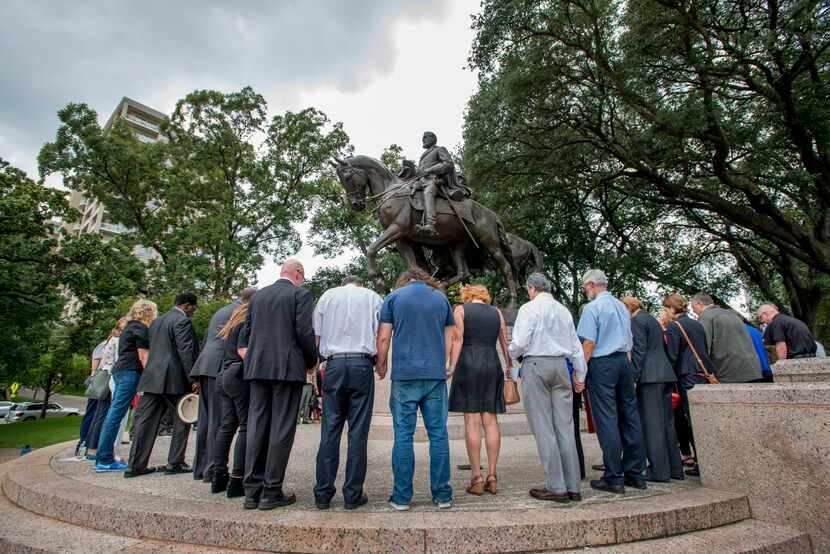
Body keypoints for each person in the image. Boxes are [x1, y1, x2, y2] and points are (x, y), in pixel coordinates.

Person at [240, 259, 318, 510]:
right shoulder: (300, 295)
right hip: (287, 367)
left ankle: (252, 490)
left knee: (257, 425)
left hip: (258, 367)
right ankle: (271, 489)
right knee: (281, 428)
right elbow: (304, 333)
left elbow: (248, 332)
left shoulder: (258, 297)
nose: (302, 280)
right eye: (302, 276)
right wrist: (311, 361)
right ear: (297, 273)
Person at [376, 268, 455, 511]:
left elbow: (383, 338)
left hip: (405, 375)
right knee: (438, 434)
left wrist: (382, 363)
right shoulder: (441, 298)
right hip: (434, 375)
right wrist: (445, 364)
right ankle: (442, 495)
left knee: (403, 435)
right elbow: (450, 336)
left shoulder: (394, 298)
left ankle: (401, 497)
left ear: (404, 279)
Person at [509, 274, 586, 502]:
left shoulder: (529, 308)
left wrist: (510, 352)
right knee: (565, 427)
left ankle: (556, 485)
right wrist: (580, 375)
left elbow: (521, 342)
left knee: (543, 427)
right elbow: (575, 346)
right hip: (561, 366)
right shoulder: (563, 310)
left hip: (536, 365)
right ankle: (573, 486)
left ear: (532, 289)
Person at [312, 275, 383, 510]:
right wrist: (381, 362)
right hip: (362, 364)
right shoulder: (372, 297)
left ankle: (323, 493)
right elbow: (381, 333)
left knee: (330, 430)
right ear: (359, 283)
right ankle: (352, 494)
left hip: (333, 364)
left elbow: (317, 334)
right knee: (357, 433)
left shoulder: (327, 296)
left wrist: (315, 365)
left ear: (343, 283)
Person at [576, 269, 646, 494]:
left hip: (602, 363)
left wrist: (580, 373)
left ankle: (613, 476)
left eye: (586, 286)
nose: (586, 290)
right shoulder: (621, 307)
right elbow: (629, 342)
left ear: (592, 285)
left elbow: (588, 343)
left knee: (607, 418)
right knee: (630, 416)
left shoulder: (592, 308)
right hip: (623, 362)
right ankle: (635, 473)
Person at [125, 293, 199, 478]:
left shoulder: (156, 322)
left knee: (145, 423)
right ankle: (175, 462)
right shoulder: (182, 321)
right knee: (183, 418)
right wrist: (194, 378)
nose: (194, 311)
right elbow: (186, 351)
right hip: (173, 379)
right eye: (194, 307)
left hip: (151, 378)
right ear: (186, 305)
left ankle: (135, 465)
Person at [448, 284, 510, 497]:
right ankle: (492, 476)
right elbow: (504, 342)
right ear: (484, 296)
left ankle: (476, 477)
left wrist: (451, 366)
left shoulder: (461, 310)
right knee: (491, 420)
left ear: (468, 295)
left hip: (468, 364)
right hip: (492, 363)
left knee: (472, 421)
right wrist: (509, 367)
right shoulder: (496, 312)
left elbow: (458, 339)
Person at [622, 297, 683, 482]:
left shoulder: (636, 322)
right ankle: (675, 469)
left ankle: (658, 471)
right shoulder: (651, 320)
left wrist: (633, 376)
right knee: (667, 425)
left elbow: (639, 350)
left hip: (649, 377)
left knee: (652, 426)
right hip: (665, 374)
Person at [94, 300, 157, 472]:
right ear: (149, 312)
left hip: (120, 371)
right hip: (130, 372)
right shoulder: (141, 329)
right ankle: (104, 458)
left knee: (114, 413)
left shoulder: (128, 327)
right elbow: (144, 357)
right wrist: (153, 377)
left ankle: (103, 456)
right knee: (116, 414)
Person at [191, 293, 247, 482]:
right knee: (220, 420)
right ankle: (212, 469)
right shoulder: (240, 312)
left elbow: (208, 338)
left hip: (206, 364)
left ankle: (201, 467)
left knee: (206, 421)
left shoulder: (222, 310)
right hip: (220, 366)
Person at [663, 293, 716, 477]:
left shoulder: (674, 326)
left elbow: (672, 355)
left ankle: (701, 461)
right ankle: (709, 458)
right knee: (703, 418)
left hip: (687, 374)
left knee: (690, 418)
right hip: (704, 372)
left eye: (665, 308)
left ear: (671, 308)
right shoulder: (696, 323)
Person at [211, 287, 256, 497]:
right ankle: (237, 479)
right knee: (246, 426)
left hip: (224, 375)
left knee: (226, 426)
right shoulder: (248, 320)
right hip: (239, 375)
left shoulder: (233, 321)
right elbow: (243, 351)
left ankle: (218, 475)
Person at [691, 294, 762, 383]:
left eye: (693, 307)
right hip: (753, 368)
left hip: (729, 373)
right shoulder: (733, 314)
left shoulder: (706, 317)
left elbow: (704, 347)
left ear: (699, 304)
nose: (693, 311)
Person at [85, 319, 127, 461]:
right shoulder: (118, 341)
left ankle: (91, 448)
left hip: (105, 377)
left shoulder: (109, 341)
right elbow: (115, 361)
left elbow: (103, 361)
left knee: (99, 415)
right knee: (108, 415)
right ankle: (100, 449)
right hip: (112, 378)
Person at [414, 131, 470, 236]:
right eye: (423, 137)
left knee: (428, 192)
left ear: (433, 138)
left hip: (433, 181)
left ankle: (430, 225)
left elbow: (448, 164)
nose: (423, 139)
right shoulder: (423, 155)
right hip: (420, 181)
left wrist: (429, 170)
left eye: (426, 137)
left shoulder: (439, 149)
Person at [76, 338, 108, 457]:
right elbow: (95, 365)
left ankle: (90, 440)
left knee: (97, 413)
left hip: (102, 382)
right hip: (99, 382)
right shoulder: (104, 345)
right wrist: (93, 377)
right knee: (92, 413)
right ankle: (83, 440)